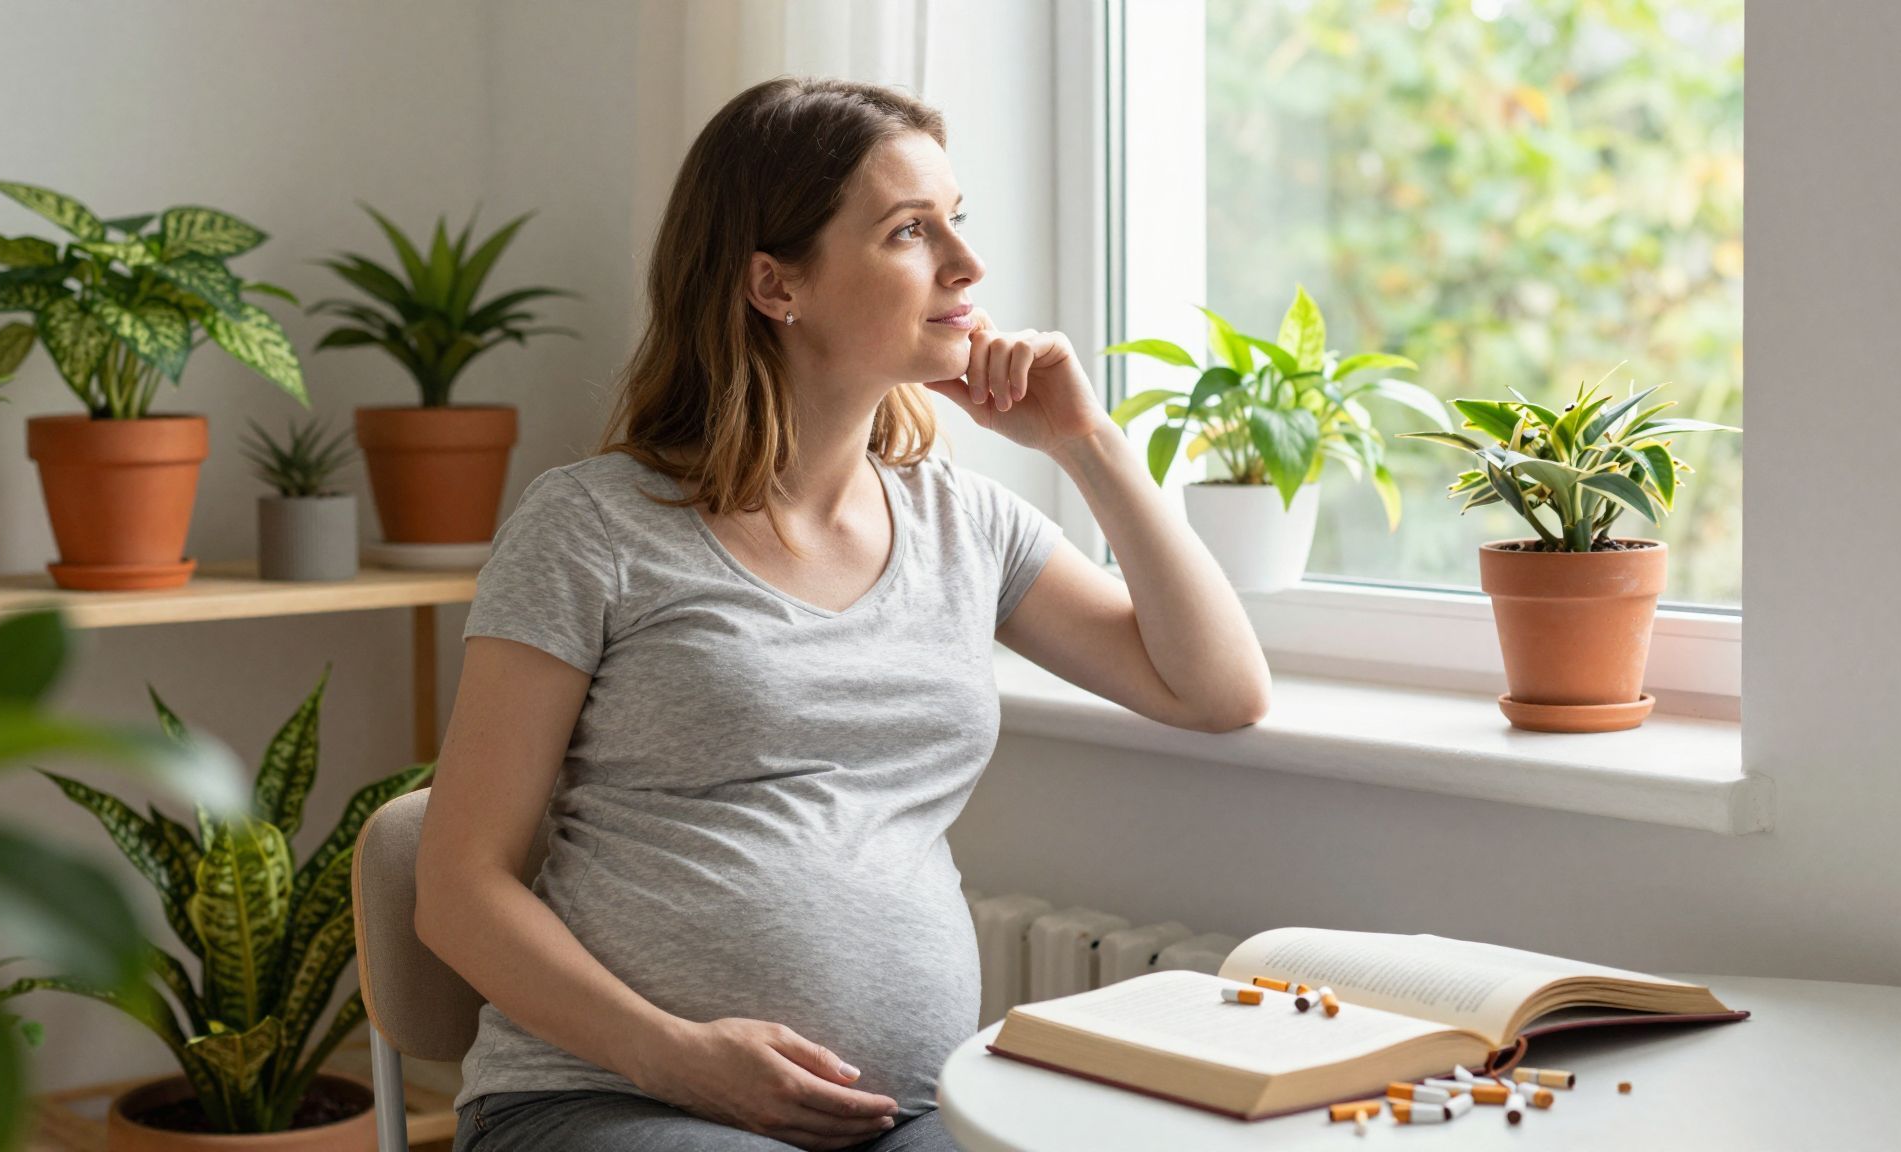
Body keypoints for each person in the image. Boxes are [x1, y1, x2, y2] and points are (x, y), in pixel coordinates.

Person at [417, 75, 1272, 1152]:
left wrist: (1085, 445)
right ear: (775, 284)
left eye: (956, 222)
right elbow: (455, 888)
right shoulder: (591, 526)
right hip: (610, 1098)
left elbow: (1218, 691)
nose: (966, 268)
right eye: (911, 232)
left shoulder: (965, 525)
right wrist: (672, 1055)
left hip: (902, 1113)